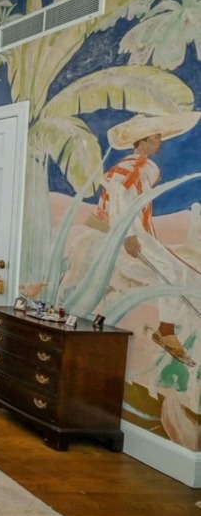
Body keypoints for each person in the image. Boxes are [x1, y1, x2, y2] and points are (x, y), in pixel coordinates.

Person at [94, 112, 201, 367]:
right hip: (129, 233)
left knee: (177, 270)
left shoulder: (136, 165)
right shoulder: (137, 166)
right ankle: (166, 331)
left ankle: (168, 329)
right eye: (155, 138)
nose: (159, 143)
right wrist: (128, 236)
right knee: (170, 272)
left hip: (132, 231)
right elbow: (121, 199)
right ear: (142, 141)